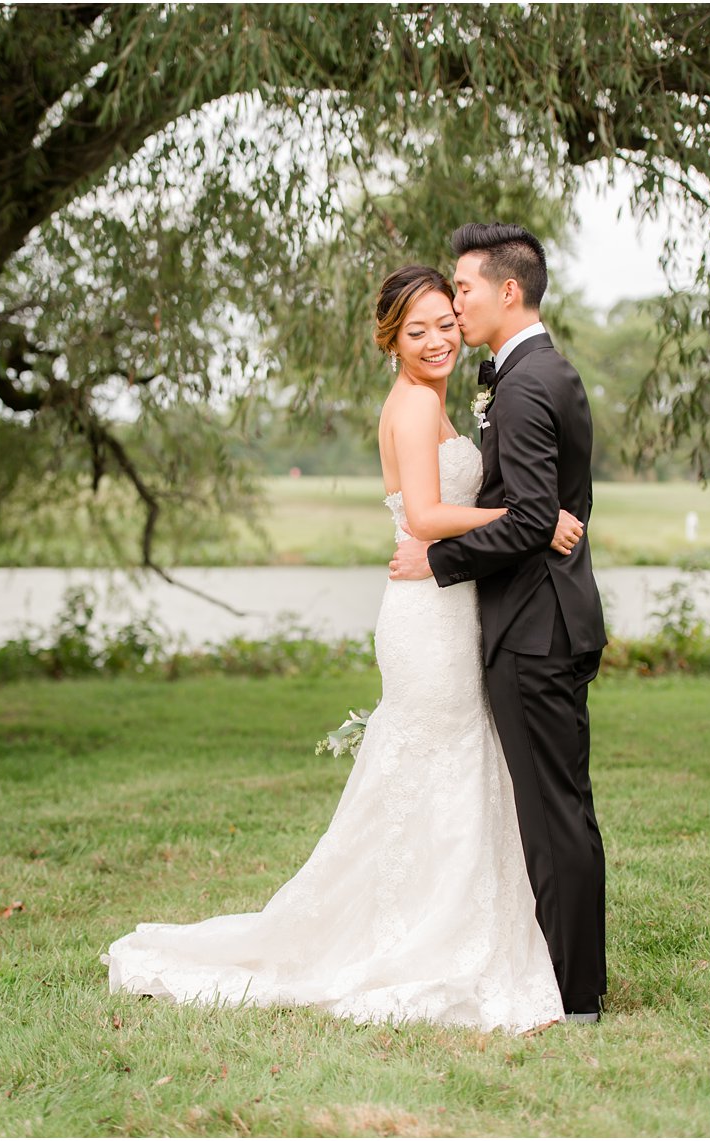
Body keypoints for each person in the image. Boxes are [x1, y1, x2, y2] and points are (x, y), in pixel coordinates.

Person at [103, 265, 582, 1033]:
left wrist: (504, 516)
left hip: (442, 603)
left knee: (450, 764)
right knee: (443, 758)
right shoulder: (414, 407)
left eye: (445, 323)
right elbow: (425, 515)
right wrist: (533, 516)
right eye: (417, 329)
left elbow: (440, 509)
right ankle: (420, 935)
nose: (437, 340)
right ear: (390, 339)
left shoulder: (429, 402)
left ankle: (443, 919)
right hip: (428, 611)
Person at [389, 223, 609, 1023]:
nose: (456, 301)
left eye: (465, 289)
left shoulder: (521, 384)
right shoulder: (541, 371)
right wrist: (538, 517)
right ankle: (570, 976)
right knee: (560, 808)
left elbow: (523, 520)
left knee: (554, 818)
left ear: (507, 291)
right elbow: (533, 507)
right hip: (549, 617)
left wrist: (436, 562)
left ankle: (575, 992)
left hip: (533, 628)